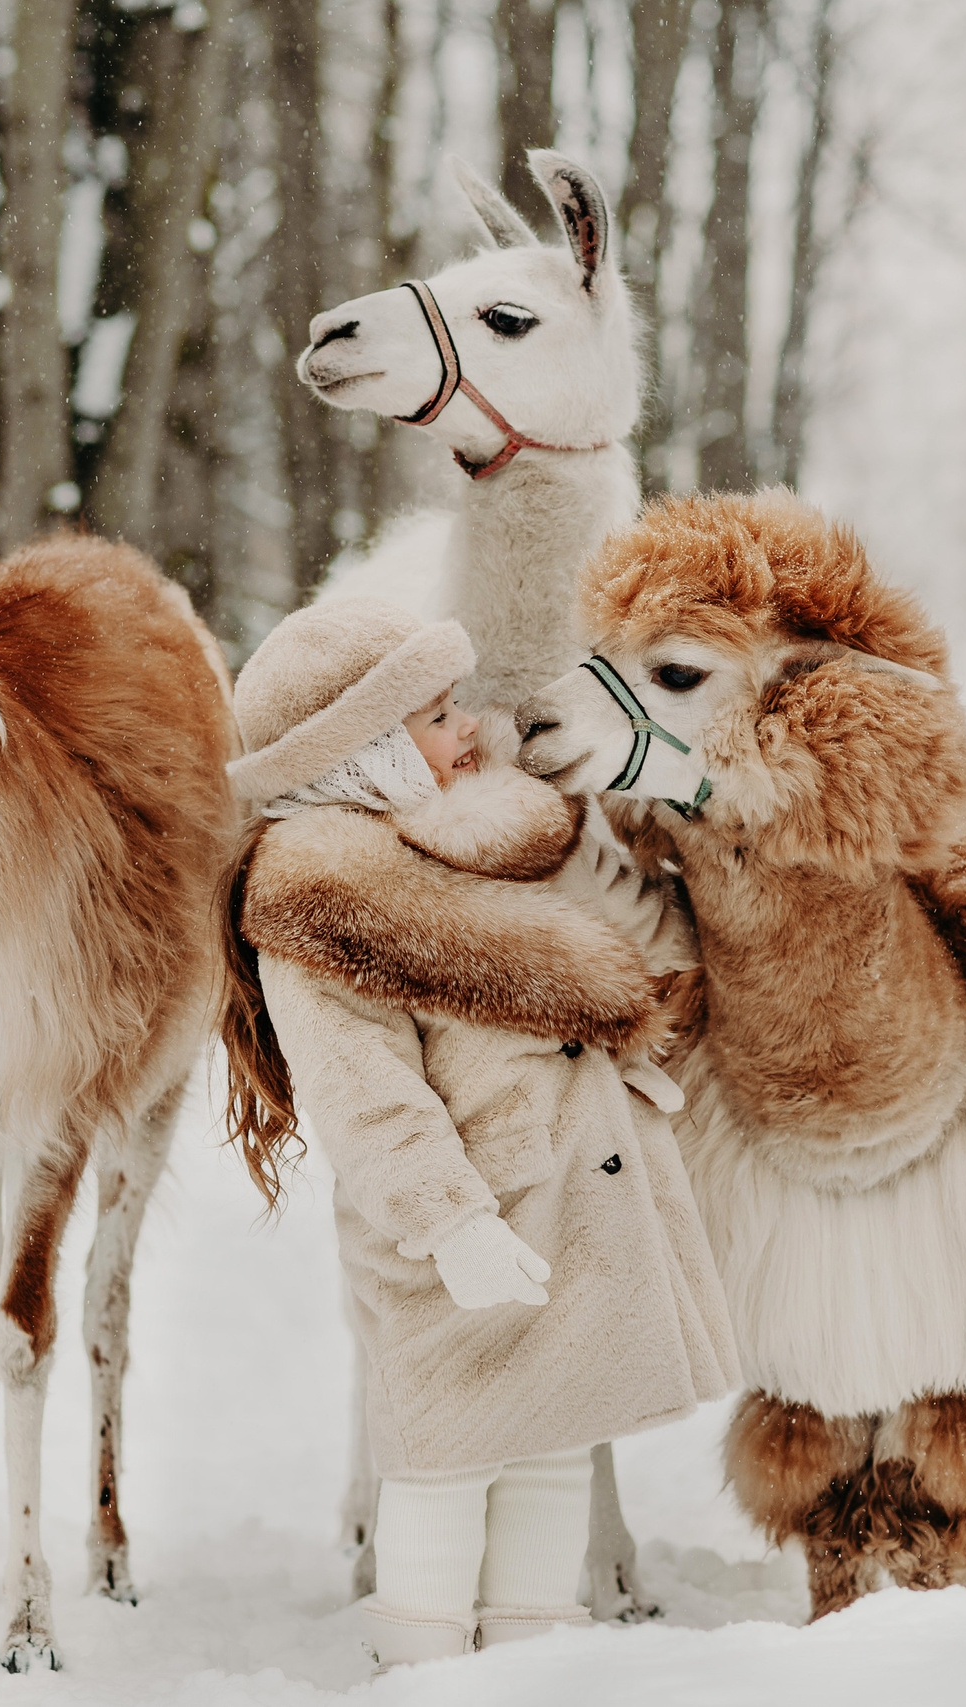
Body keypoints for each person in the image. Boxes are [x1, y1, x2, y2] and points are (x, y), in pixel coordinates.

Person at [216, 598, 739, 1670]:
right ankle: (422, 1673)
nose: (468, 734)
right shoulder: (323, 894)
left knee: (549, 1451)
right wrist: (446, 1220)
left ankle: (530, 1670)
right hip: (462, 1232)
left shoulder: (473, 843)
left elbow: (527, 1016)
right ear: (358, 752)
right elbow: (364, 1091)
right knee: (444, 1465)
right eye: (434, 718)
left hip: (556, 1217)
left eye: (454, 709)